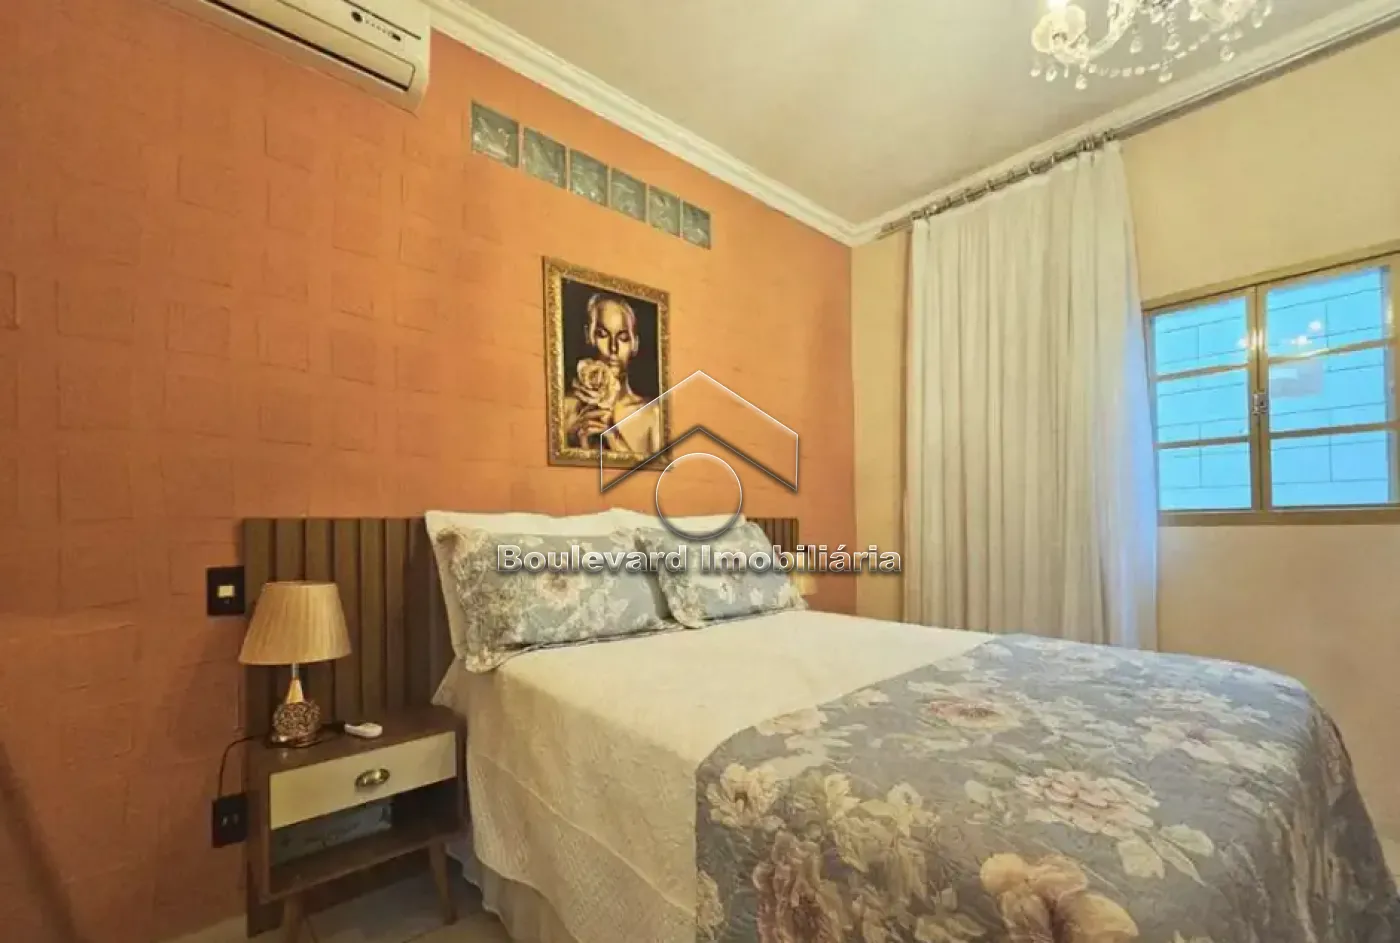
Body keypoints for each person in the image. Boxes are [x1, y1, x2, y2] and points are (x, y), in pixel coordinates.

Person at [561, 293, 662, 455]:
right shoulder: (565, 408)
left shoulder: (653, 413)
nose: (613, 348)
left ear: (635, 344)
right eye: (603, 335)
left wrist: (612, 438)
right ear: (589, 336)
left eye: (623, 338)